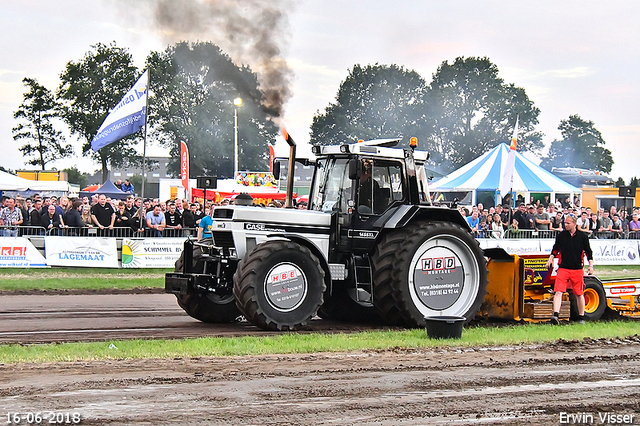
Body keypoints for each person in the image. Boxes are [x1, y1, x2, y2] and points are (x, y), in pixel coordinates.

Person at [545, 214, 594, 325]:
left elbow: (588, 252)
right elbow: (555, 249)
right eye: (565, 223)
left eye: (568, 223)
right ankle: (555, 315)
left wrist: (591, 266)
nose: (565, 225)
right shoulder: (561, 236)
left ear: (574, 223)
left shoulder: (582, 237)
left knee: (579, 293)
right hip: (563, 268)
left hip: (577, 269)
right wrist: (551, 258)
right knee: (558, 291)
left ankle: (581, 316)